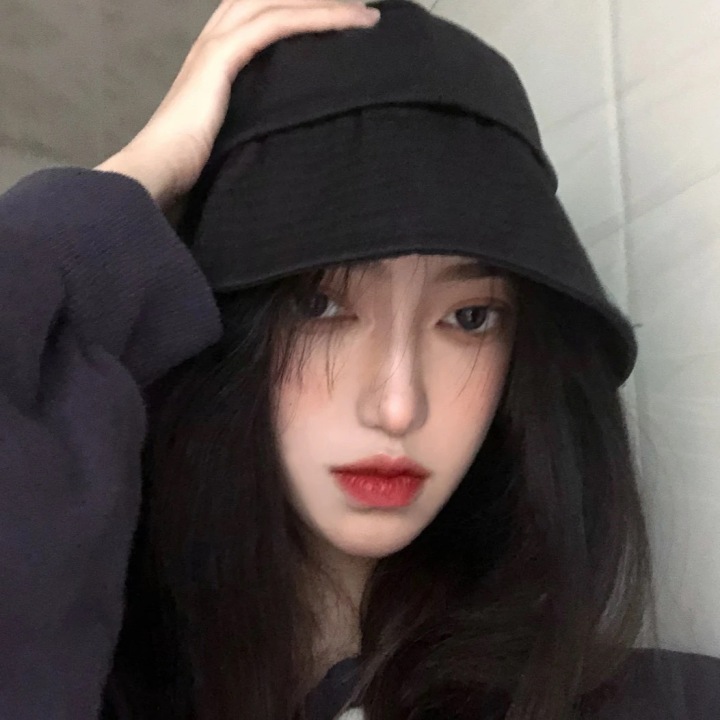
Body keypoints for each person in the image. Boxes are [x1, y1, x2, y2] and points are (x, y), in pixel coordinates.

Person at [1, 1, 719, 719]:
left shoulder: (663, 703)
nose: (397, 405)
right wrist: (134, 180)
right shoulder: (78, 678)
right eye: (318, 306)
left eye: (469, 317)